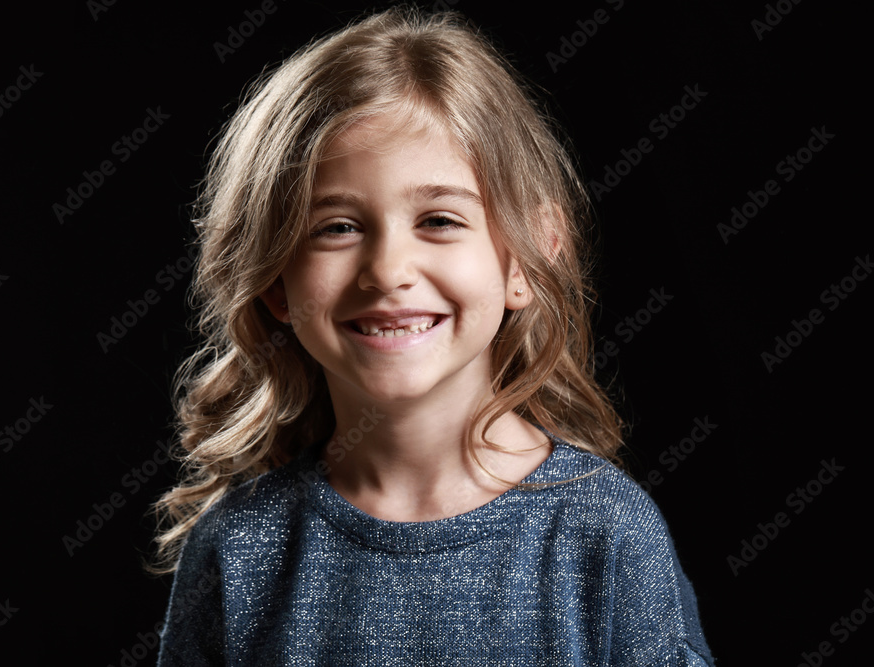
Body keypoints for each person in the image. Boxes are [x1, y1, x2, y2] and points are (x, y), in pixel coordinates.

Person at [152, 7, 714, 665]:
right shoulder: (238, 549)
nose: (389, 271)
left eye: (440, 220)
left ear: (529, 256)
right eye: (337, 226)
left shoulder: (607, 536)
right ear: (276, 281)